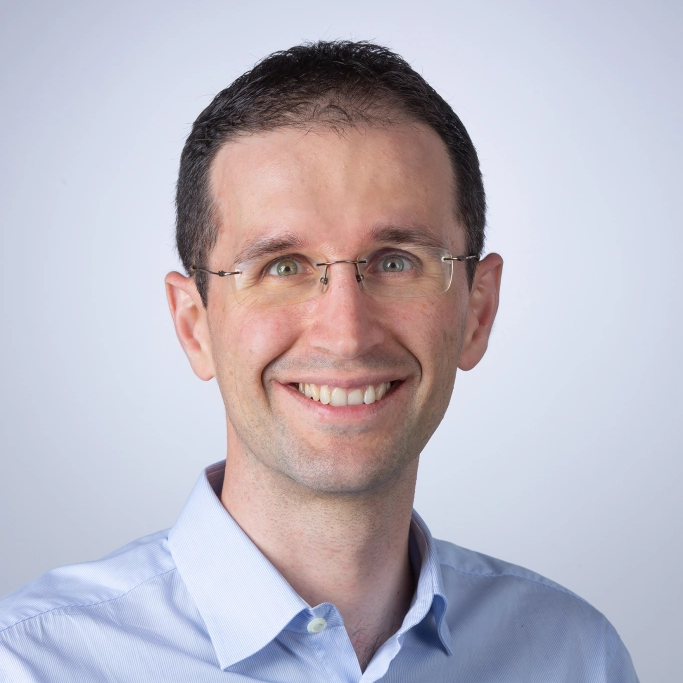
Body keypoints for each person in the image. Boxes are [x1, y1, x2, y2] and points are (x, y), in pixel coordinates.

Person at [0, 41, 638, 682]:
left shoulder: (576, 657)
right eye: (283, 267)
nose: (346, 334)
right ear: (194, 325)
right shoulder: (30, 664)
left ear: (478, 310)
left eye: (396, 262)